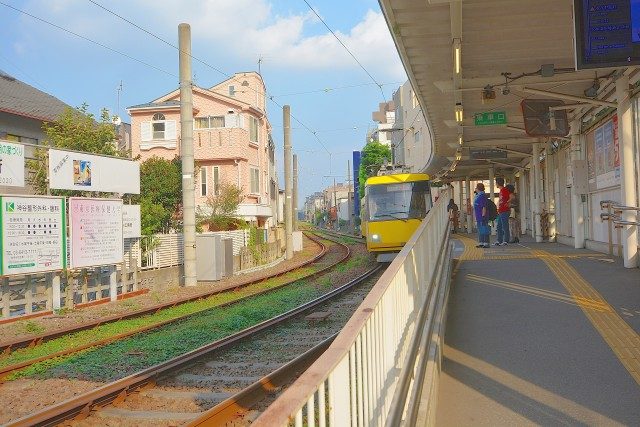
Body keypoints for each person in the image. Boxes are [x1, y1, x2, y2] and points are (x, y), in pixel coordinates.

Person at [494, 177, 511, 246]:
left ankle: (506, 240)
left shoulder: (504, 190)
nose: (495, 184)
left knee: (505, 226)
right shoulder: (501, 191)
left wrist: (507, 203)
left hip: (505, 211)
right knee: (499, 226)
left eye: (496, 183)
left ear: (498, 183)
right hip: (501, 211)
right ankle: (499, 240)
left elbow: (511, 197)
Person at [473, 183, 490, 248]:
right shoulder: (478, 196)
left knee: (484, 229)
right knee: (480, 230)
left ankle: (486, 243)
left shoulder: (482, 196)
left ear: (478, 189)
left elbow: (484, 207)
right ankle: (481, 242)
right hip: (479, 216)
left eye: (476, 188)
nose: (475, 189)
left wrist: (483, 216)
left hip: (482, 216)